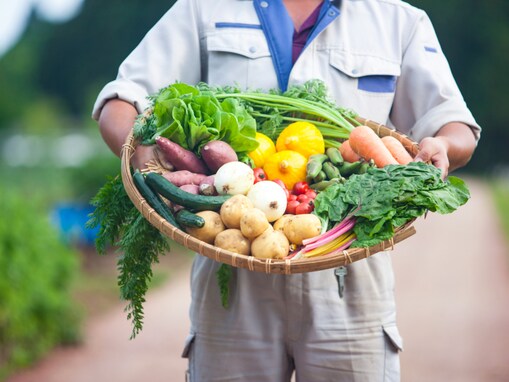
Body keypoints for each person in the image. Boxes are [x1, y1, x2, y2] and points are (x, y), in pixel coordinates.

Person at [93, 1, 480, 381]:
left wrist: (443, 146)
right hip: (234, 261)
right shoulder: (203, 8)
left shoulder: (398, 20)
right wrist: (148, 161)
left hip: (350, 273)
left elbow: (454, 124)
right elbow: (120, 101)